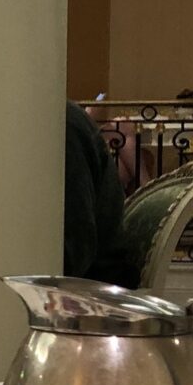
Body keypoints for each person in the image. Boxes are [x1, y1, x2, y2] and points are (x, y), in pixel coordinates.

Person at [65, 100, 125, 281]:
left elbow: (75, 246)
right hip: (86, 274)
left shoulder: (61, 127)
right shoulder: (62, 120)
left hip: (92, 286)